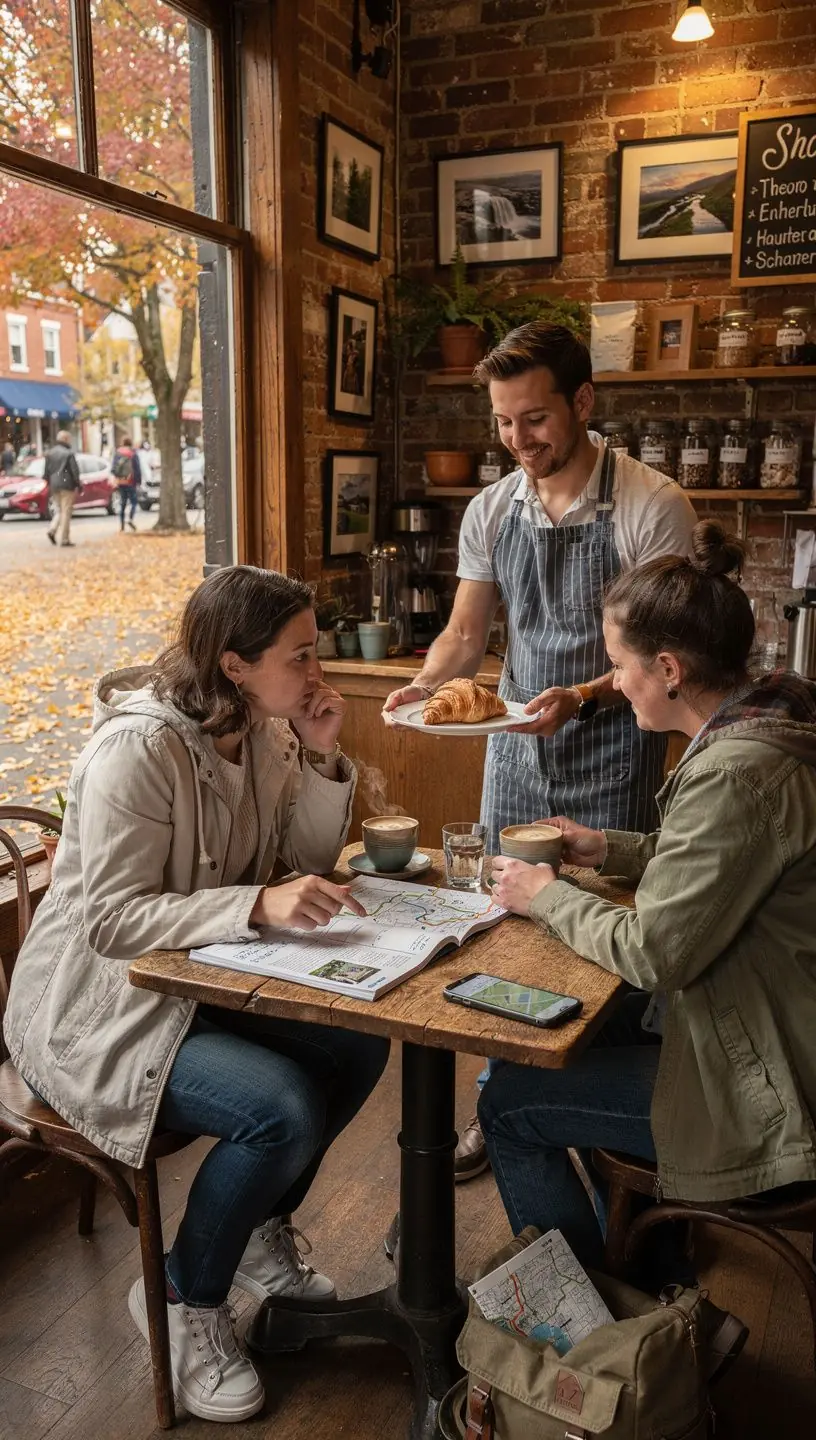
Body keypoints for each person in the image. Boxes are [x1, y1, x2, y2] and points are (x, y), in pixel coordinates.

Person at [3, 566, 390, 1423]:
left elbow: (302, 864)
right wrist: (254, 903)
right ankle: (182, 1300)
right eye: (300, 656)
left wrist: (322, 752)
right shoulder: (137, 750)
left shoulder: (266, 731)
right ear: (233, 665)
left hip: (196, 980)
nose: (316, 673)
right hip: (96, 1005)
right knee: (281, 1107)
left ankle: (253, 1231)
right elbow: (110, 921)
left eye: (315, 652)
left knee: (363, 1044)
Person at [383, 320, 697, 1179]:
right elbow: (464, 631)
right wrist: (425, 686)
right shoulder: (493, 509)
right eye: (504, 422)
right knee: (505, 928)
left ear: (582, 402)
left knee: (608, 940)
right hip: (516, 756)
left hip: (614, 749)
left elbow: (663, 652)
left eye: (535, 418)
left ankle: (609, 1126)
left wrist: (584, 697)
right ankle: (501, 1099)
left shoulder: (650, 503)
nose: (520, 440)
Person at [480, 521, 816, 1273]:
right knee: (573, 1040)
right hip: (775, 1025)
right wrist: (612, 848)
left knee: (506, 1104)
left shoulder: (735, 774)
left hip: (775, 1086)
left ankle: (597, 1323)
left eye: (618, 665)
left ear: (666, 668)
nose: (615, 681)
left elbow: (654, 951)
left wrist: (546, 894)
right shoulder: (767, 720)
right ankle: (655, 1278)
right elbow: (730, 872)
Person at [45, 429, 81, 547]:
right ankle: (65, 539)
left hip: (54, 484)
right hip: (66, 484)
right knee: (66, 511)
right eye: (69, 438)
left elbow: (46, 472)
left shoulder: (50, 453)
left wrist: (48, 483)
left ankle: (52, 529)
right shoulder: (68, 453)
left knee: (59, 510)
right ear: (65, 439)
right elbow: (74, 471)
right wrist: (78, 484)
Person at [112, 433, 139, 531]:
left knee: (122, 503)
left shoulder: (117, 453)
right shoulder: (133, 453)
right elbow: (137, 469)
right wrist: (138, 481)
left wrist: (117, 478)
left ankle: (122, 526)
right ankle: (130, 518)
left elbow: (113, 468)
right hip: (130, 481)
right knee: (134, 502)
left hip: (120, 482)